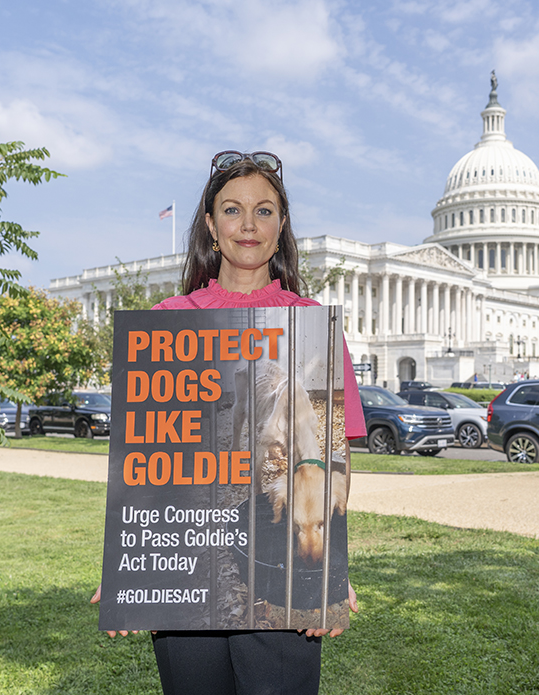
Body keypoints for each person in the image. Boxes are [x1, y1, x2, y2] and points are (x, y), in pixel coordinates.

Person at [92, 150, 365, 695]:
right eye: (233, 210)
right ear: (211, 225)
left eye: (264, 211)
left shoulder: (311, 322)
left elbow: (329, 465)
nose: (248, 225)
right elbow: (146, 458)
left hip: (280, 569)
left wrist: (334, 577)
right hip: (186, 566)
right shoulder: (170, 321)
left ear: (281, 225)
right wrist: (128, 570)